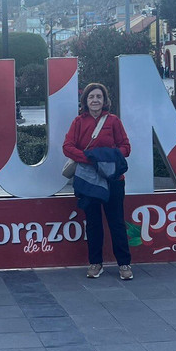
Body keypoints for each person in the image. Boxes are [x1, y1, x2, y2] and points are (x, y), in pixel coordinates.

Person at [62, 82, 133, 280]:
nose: (95, 100)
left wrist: (105, 157)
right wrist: (90, 159)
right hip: (88, 180)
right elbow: (67, 147)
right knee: (93, 223)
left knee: (116, 222)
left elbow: (126, 147)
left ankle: (124, 264)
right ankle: (95, 263)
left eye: (99, 97)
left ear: (104, 101)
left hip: (114, 180)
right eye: (91, 97)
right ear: (85, 100)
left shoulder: (113, 121)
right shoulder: (78, 122)